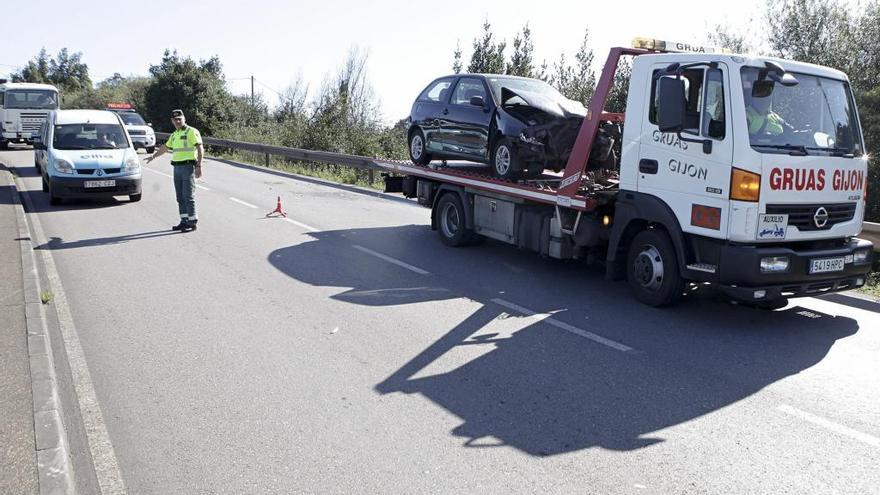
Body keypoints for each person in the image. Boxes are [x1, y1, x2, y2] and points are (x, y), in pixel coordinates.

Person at [146, 109, 204, 232]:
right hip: (177, 168)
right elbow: (165, 148)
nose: (177, 121)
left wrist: (199, 166)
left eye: (179, 119)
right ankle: (184, 220)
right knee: (180, 197)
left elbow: (200, 148)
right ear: (172, 121)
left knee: (188, 196)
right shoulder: (174, 134)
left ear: (184, 119)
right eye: (175, 120)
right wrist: (153, 156)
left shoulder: (191, 132)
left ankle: (192, 222)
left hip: (188, 167)